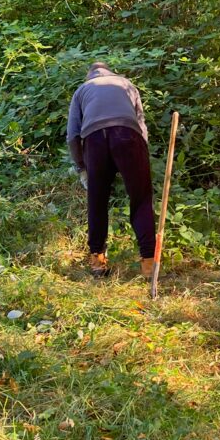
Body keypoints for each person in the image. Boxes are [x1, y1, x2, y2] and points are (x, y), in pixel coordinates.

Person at [67, 63, 157, 279]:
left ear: (90, 76)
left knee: (97, 199)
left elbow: (72, 135)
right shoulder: (127, 85)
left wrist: (81, 167)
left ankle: (97, 260)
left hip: (94, 140)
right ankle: (148, 262)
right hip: (128, 136)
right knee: (141, 198)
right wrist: (141, 159)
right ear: (110, 72)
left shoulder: (82, 90)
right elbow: (142, 126)